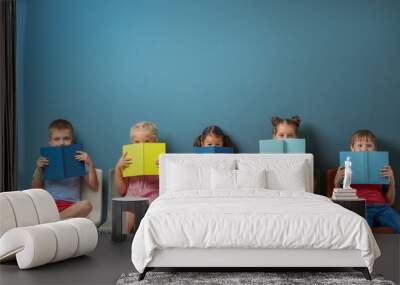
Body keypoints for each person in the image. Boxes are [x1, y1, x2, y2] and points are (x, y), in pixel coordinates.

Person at [334, 129, 399, 233]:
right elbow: (341, 198)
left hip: (382, 207)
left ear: (375, 149)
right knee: (362, 232)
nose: (364, 148)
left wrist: (392, 179)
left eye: (369, 145)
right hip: (361, 206)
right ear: (352, 148)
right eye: (360, 145)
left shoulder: (382, 166)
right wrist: (337, 181)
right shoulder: (345, 166)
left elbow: (390, 201)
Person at [32, 119, 98, 219]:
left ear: (72, 140)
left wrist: (90, 163)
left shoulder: (78, 160)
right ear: (50, 141)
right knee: (33, 208)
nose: (61, 143)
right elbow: (35, 190)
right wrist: (39, 169)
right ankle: (59, 221)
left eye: (66, 138)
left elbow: (94, 186)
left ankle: (55, 220)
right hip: (50, 205)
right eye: (57, 139)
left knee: (86, 205)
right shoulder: (45, 161)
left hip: (70, 207)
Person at [114, 121, 160, 232]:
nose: (141, 145)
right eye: (137, 142)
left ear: (155, 142)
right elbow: (121, 191)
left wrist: (163, 168)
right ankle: (121, 245)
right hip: (132, 203)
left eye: (147, 142)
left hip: (153, 205)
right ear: (132, 143)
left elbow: (168, 189)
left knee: (154, 218)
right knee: (125, 220)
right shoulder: (127, 160)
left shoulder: (161, 160)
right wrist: (118, 169)